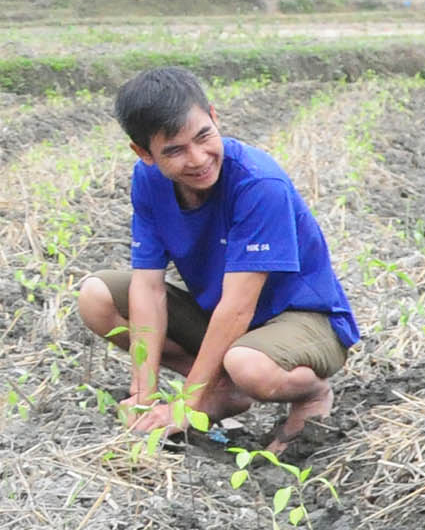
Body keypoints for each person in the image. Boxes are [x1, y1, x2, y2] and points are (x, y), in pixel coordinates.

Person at [76, 67, 361, 455]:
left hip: (304, 319)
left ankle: (311, 394)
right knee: (97, 297)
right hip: (222, 319)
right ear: (144, 153)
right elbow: (148, 287)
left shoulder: (258, 184)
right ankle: (225, 391)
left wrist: (187, 403)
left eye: (203, 136)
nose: (197, 159)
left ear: (214, 116)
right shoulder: (148, 181)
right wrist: (143, 391)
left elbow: (238, 308)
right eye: (174, 151)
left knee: (247, 364)